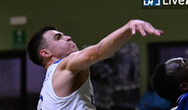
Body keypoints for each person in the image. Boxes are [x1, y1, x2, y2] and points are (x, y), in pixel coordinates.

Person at [27, 20, 163, 110]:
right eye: (58, 37)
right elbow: (98, 51)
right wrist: (129, 27)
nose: (67, 37)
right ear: (45, 53)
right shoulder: (64, 65)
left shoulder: (48, 85)